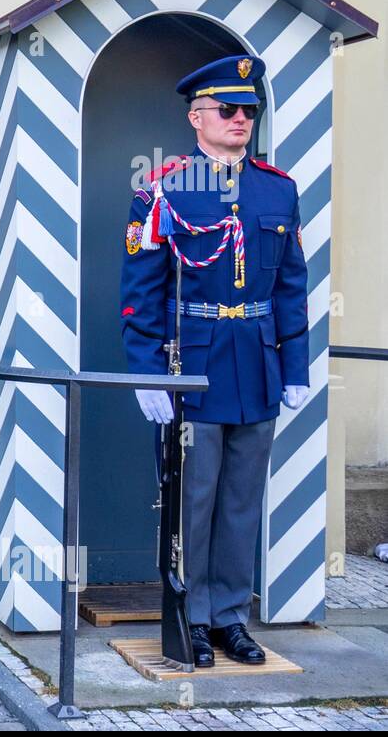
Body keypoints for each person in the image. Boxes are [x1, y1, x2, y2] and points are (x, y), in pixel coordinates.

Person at [120, 55, 310, 666]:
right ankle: (193, 617)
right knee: (193, 497)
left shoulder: (277, 189)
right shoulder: (163, 189)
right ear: (195, 117)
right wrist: (148, 371)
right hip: (192, 364)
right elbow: (141, 290)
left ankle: (232, 617)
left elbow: (290, 286)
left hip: (256, 362)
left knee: (241, 498)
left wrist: (298, 364)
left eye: (248, 110)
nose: (240, 119)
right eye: (227, 109)